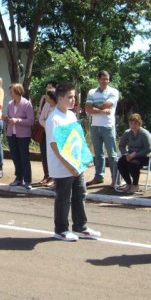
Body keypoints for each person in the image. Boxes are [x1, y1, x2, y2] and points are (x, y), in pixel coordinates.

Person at [46, 82, 102, 242]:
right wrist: (69, 166)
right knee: (63, 198)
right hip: (63, 166)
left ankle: (80, 227)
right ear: (60, 98)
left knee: (80, 194)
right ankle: (61, 230)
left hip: (77, 164)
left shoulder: (71, 115)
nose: (73, 100)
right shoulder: (54, 119)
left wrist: (85, 158)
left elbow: (78, 139)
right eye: (70, 97)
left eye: (74, 97)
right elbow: (55, 146)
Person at [85, 70, 119, 188]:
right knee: (98, 153)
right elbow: (87, 108)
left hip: (108, 126)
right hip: (95, 126)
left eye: (107, 79)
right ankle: (99, 176)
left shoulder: (113, 91)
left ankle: (115, 179)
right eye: (103, 79)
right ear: (98, 79)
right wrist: (101, 111)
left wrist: (94, 107)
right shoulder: (92, 92)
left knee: (112, 154)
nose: (105, 81)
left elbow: (107, 105)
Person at [4, 83, 34, 189]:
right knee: (15, 157)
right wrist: (6, 119)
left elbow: (31, 121)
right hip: (11, 134)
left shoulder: (27, 104)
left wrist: (17, 120)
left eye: (12, 91)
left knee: (24, 158)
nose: (10, 93)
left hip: (23, 135)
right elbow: (9, 119)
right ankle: (18, 178)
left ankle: (28, 180)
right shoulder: (10, 104)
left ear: (17, 91)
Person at [116, 113, 151, 194]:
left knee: (133, 164)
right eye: (131, 123)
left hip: (143, 156)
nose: (133, 125)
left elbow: (148, 149)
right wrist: (126, 154)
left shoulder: (144, 133)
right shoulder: (127, 133)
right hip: (130, 155)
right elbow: (121, 146)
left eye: (135, 123)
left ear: (139, 123)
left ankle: (135, 184)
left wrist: (135, 155)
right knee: (121, 162)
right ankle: (128, 183)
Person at [37, 82, 58, 185]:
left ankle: (55, 177)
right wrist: (49, 126)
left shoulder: (59, 106)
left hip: (56, 135)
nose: (45, 95)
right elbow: (41, 119)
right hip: (46, 133)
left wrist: (52, 127)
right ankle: (47, 175)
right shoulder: (46, 104)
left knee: (55, 155)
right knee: (45, 154)